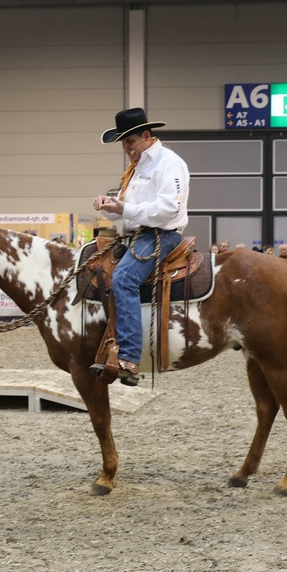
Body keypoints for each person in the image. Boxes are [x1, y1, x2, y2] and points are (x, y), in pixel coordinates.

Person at [91, 107, 189, 387]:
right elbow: (126, 207)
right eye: (123, 143)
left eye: (129, 141)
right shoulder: (136, 168)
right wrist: (109, 205)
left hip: (161, 235)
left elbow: (170, 208)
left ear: (147, 136)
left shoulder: (169, 163)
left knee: (123, 279)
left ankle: (130, 359)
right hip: (138, 234)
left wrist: (124, 207)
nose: (126, 148)